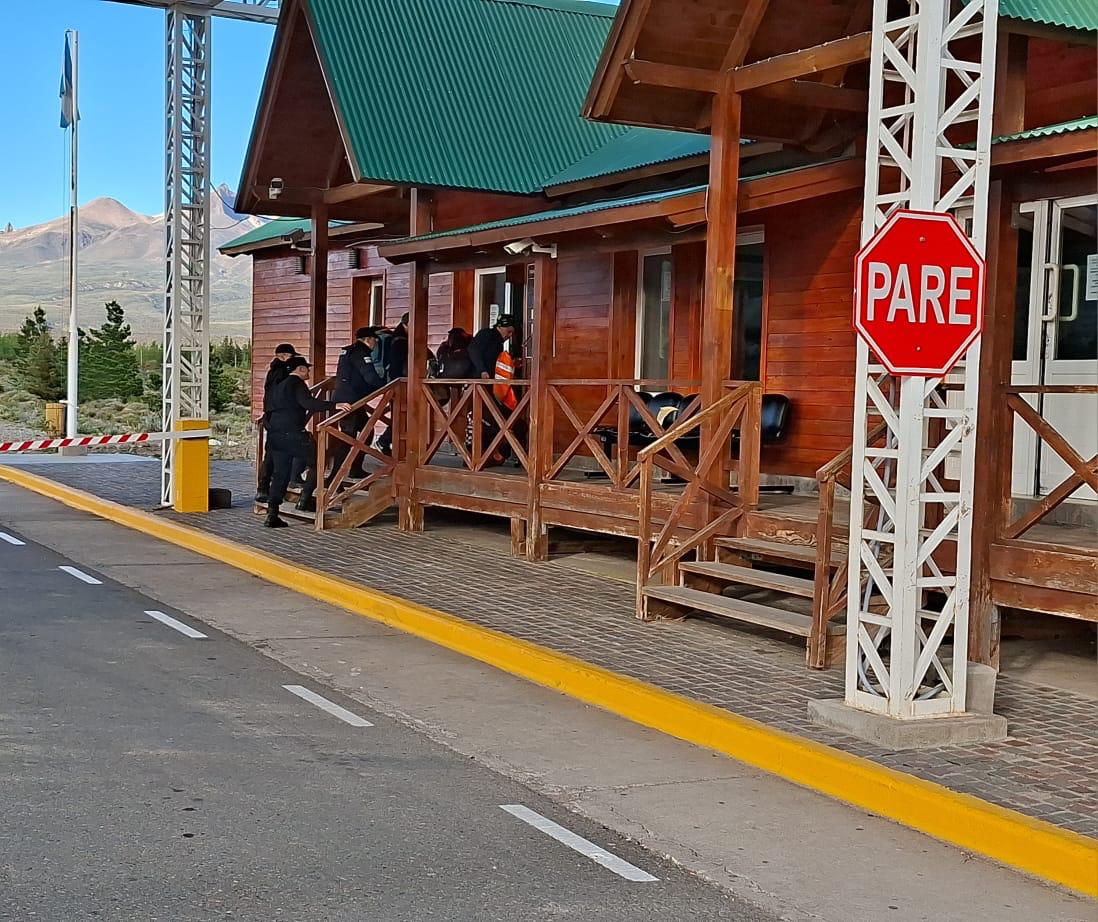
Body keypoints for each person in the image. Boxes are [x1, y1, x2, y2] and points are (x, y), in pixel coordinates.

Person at [263, 356, 350, 528]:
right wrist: (334, 405)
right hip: (293, 433)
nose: (309, 372)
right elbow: (308, 403)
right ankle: (305, 498)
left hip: (275, 434)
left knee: (281, 474)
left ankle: (272, 513)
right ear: (300, 369)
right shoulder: (296, 383)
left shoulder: (278, 385)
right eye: (307, 369)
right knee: (318, 462)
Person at [329, 327, 385, 482]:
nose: (375, 344)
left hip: (351, 400)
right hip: (350, 402)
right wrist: (385, 385)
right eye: (374, 340)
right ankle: (334, 478)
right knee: (348, 439)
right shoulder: (361, 353)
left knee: (367, 432)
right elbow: (370, 377)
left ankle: (355, 468)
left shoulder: (348, 352)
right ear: (368, 339)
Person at [467, 315, 518, 464]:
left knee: (491, 417)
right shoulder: (487, 334)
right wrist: (482, 370)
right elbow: (473, 350)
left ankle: (487, 454)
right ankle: (476, 454)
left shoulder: (498, 343)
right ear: (501, 327)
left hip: (489, 384)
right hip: (478, 383)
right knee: (481, 417)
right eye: (508, 332)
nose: (508, 336)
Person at [255, 343, 297, 503]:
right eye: (290, 357)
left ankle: (266, 489)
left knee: (272, 455)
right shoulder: (280, 372)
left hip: (272, 417)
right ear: (283, 356)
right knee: (274, 456)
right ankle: (267, 489)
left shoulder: (275, 371)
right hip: (277, 418)